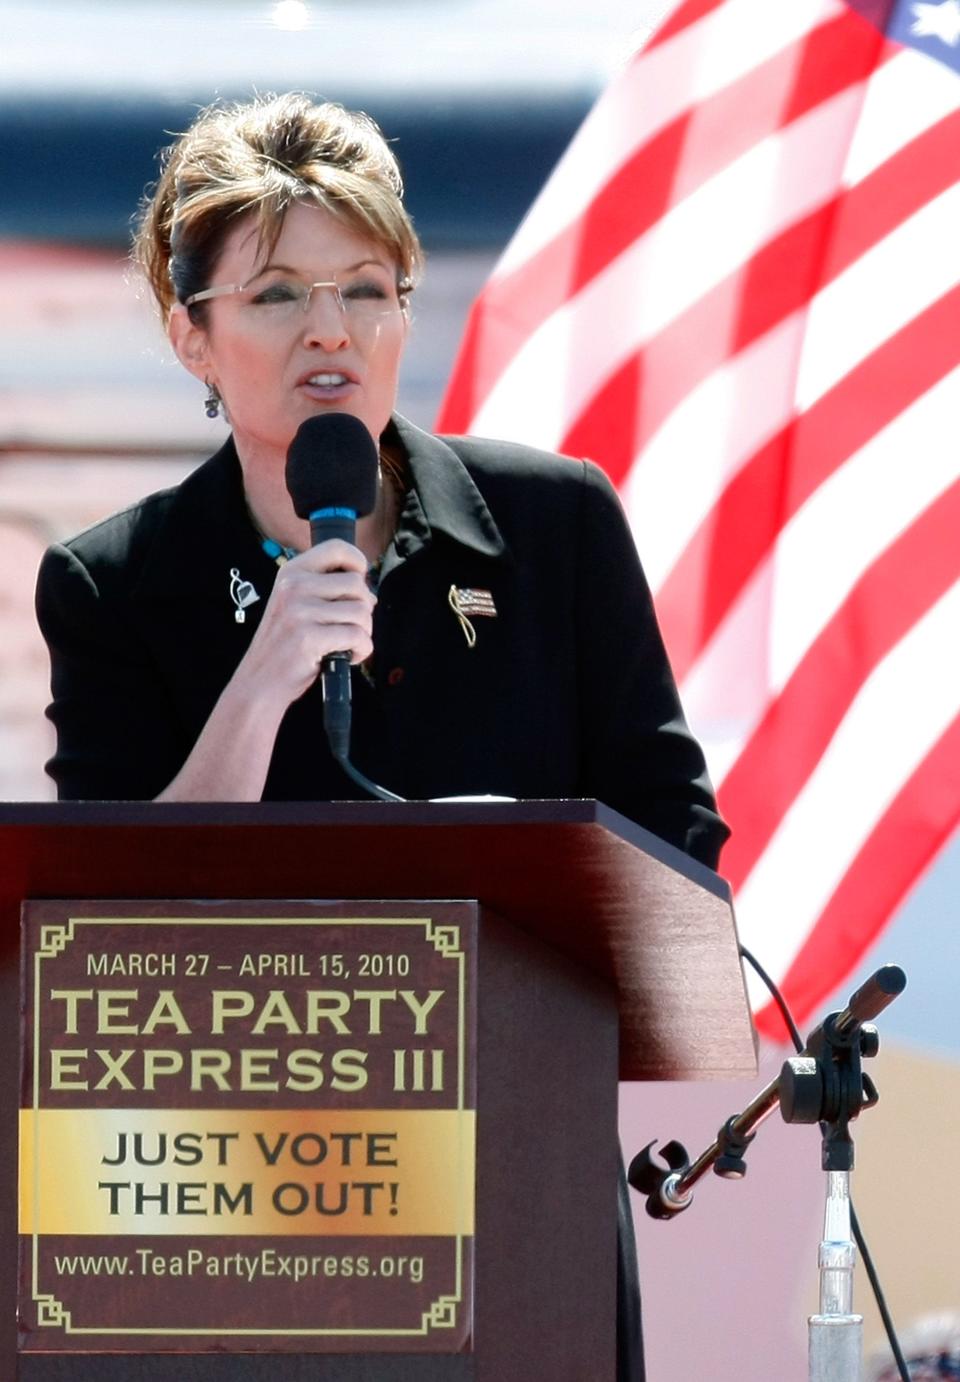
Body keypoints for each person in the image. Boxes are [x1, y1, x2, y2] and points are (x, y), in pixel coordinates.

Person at [35, 93, 730, 1379]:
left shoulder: (553, 524)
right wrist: (265, 678)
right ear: (192, 333)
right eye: (277, 295)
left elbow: (675, 843)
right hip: (234, 1204)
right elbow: (113, 926)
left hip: (514, 1185)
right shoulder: (114, 582)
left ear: (408, 311)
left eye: (366, 288)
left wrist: (524, 880)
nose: (330, 331)